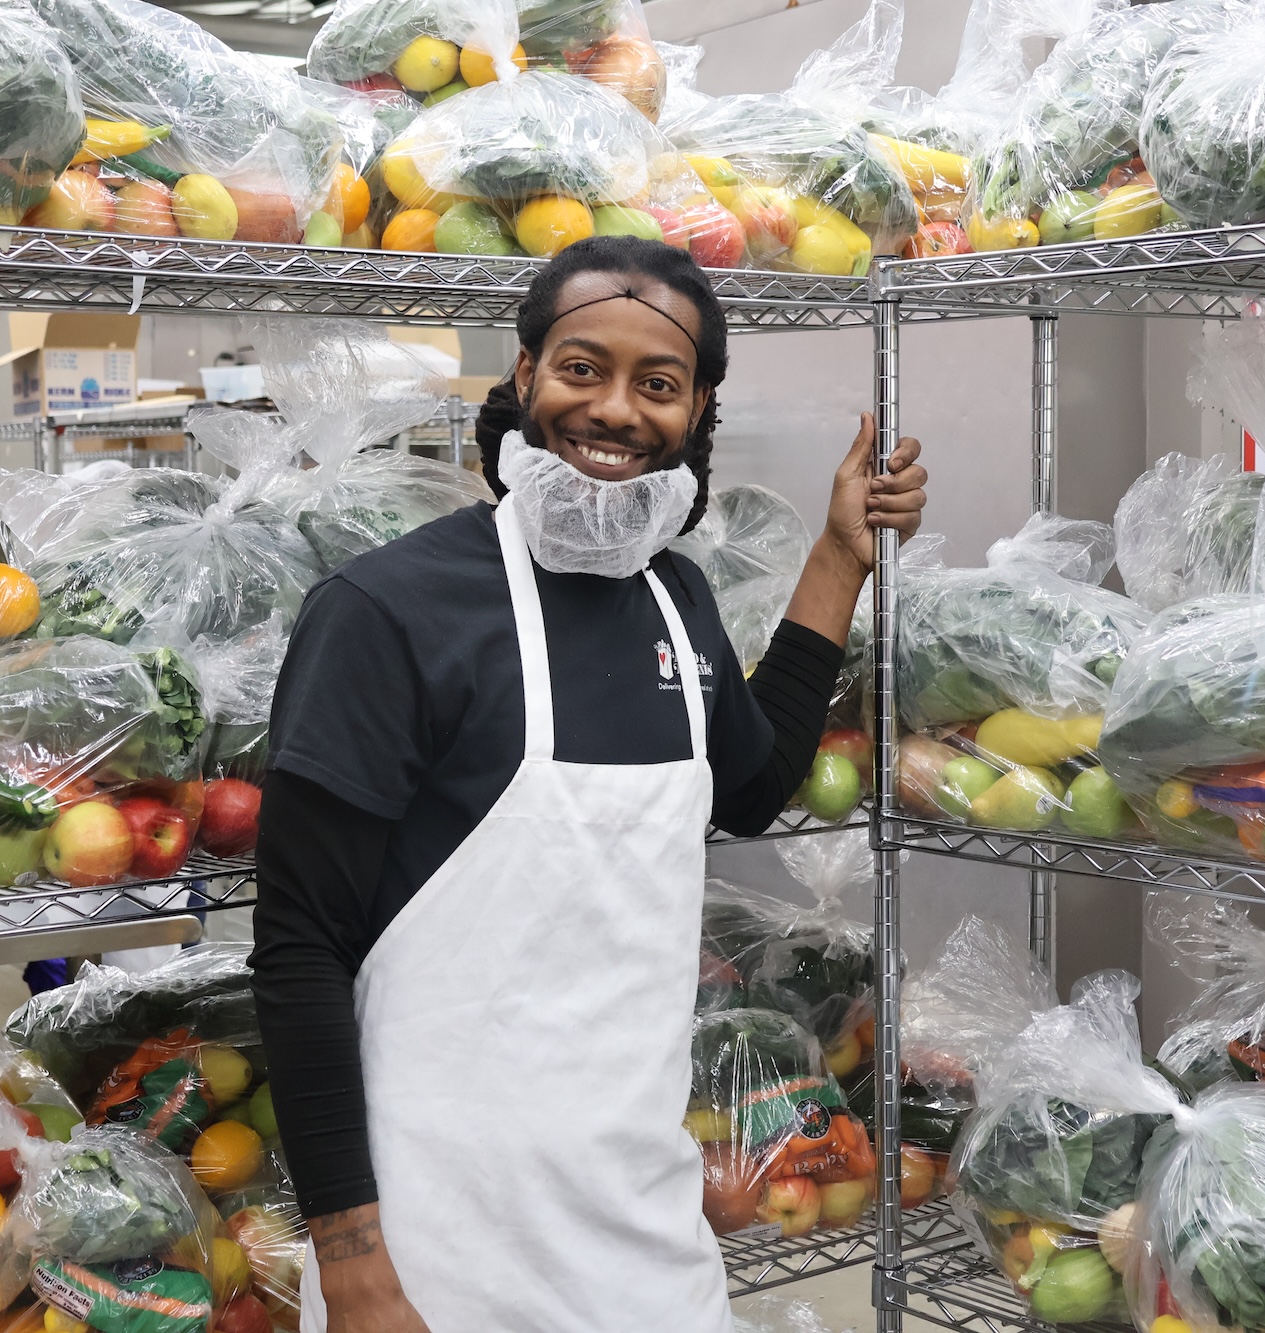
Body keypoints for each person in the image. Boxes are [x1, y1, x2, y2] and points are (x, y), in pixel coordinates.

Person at [250, 235, 928, 1333]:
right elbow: (296, 951)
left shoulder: (676, 599)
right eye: (580, 368)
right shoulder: (387, 612)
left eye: (655, 384)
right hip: (438, 1249)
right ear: (522, 378)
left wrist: (840, 558)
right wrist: (358, 1267)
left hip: (643, 1236)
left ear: (695, 409)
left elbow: (748, 789)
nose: (614, 410)